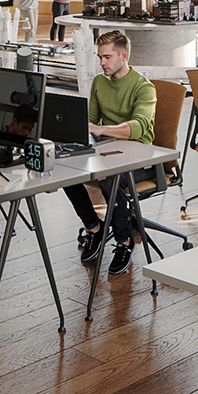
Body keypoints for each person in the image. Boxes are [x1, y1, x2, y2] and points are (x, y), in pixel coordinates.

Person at [64, 31, 157, 276]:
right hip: (107, 151)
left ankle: (124, 242)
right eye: (99, 57)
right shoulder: (99, 82)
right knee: (63, 168)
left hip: (142, 159)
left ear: (123, 56)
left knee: (110, 178)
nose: (102, 63)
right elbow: (91, 121)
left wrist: (100, 129)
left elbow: (138, 127)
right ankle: (94, 227)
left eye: (107, 57)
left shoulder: (143, 87)